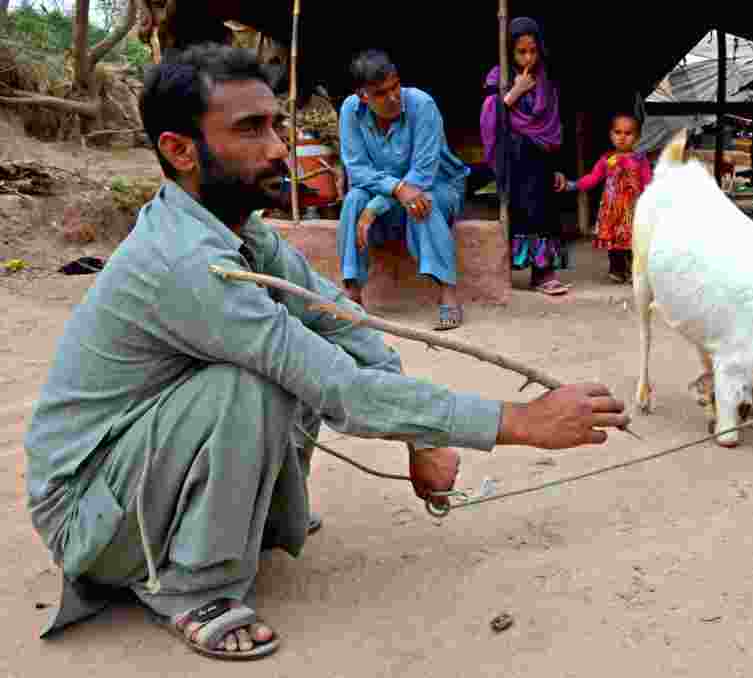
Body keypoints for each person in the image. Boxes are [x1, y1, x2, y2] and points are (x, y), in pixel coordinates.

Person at [23, 43, 629, 661]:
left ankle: (243, 518)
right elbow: (335, 384)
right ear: (180, 151)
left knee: (294, 346)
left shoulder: (239, 231)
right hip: (89, 513)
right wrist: (519, 421)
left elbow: (342, 321)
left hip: (132, 476)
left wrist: (420, 438)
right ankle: (190, 587)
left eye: (275, 126)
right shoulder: (184, 262)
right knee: (253, 378)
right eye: (250, 130)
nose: (279, 149)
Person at [337, 50, 467, 330]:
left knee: (422, 201)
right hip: (388, 191)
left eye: (395, 86)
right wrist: (395, 189)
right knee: (354, 198)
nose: (393, 97)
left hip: (438, 187)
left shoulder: (422, 105)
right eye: (381, 93)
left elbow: (423, 174)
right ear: (363, 96)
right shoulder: (350, 110)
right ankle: (352, 292)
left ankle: (448, 293)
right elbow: (357, 170)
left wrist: (376, 206)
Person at [480, 16, 571, 296]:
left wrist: (558, 167)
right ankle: (524, 271)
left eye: (533, 50)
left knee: (546, 213)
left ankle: (543, 273)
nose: (528, 57)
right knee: (524, 213)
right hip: (516, 158)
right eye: (521, 52)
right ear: (510, 51)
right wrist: (515, 92)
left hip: (542, 158)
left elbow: (554, 126)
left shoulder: (546, 80)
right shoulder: (499, 77)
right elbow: (490, 115)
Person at [555, 114, 652, 284]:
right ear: (611, 135)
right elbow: (592, 178)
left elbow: (648, 183)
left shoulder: (640, 160)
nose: (622, 137)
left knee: (634, 242)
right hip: (612, 212)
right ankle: (617, 270)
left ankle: (634, 271)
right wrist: (572, 185)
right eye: (618, 132)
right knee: (613, 244)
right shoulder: (606, 160)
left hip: (633, 211)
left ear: (637, 137)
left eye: (628, 133)